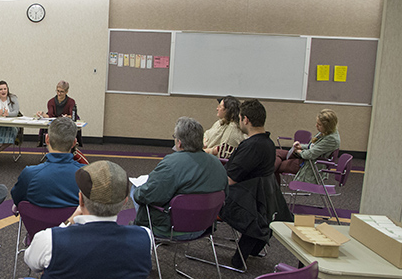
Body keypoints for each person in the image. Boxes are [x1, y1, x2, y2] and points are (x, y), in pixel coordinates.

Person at [24, 161, 152, 279]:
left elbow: (31, 263)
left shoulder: (49, 240)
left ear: (80, 200)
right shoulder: (145, 237)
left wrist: (68, 223)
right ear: (125, 202)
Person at [221, 99, 291, 268]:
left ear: (245, 119)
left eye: (239, 118)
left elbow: (230, 180)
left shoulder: (251, 146)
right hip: (261, 201)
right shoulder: (268, 143)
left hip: (244, 200)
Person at [133, 116, 228, 239]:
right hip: (205, 226)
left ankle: (141, 231)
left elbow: (146, 196)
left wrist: (138, 191)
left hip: (171, 229)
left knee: (136, 190)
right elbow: (226, 194)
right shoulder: (218, 164)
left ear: (179, 142)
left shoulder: (171, 164)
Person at [11, 117, 84, 208]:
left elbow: (18, 199)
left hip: (37, 221)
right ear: (74, 143)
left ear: (47, 139)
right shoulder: (86, 174)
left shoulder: (29, 174)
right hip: (73, 221)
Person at [274, 109, 341, 184]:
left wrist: (299, 151)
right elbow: (313, 146)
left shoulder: (331, 139)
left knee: (274, 166)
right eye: (317, 123)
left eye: (319, 125)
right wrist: (301, 146)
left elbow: (309, 154)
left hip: (309, 164)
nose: (316, 126)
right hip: (305, 157)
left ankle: (272, 192)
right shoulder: (327, 132)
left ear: (328, 126)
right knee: (275, 153)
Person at [35, 80, 80, 148]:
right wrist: (42, 114)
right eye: (58, 91)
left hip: (66, 124)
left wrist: (67, 116)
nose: (59, 93)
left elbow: (72, 115)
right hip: (55, 124)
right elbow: (50, 116)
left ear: (66, 92)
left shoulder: (71, 102)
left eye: (61, 91)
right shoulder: (51, 102)